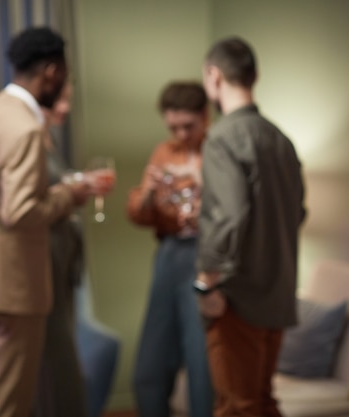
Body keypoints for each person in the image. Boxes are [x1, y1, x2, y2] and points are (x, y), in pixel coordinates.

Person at [0, 27, 98, 417]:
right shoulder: (26, 128)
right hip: (17, 288)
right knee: (8, 402)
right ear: (52, 72)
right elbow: (21, 210)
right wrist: (69, 195)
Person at [195, 37, 306, 417]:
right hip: (278, 292)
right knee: (260, 402)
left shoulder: (222, 138)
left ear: (214, 75)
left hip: (237, 295)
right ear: (254, 76)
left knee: (236, 407)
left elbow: (230, 214)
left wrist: (207, 279)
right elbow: (298, 213)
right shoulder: (282, 141)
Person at [127, 81, 214, 417]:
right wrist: (149, 192)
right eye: (173, 127)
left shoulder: (217, 150)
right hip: (169, 255)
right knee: (151, 359)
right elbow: (138, 213)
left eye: (188, 126)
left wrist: (202, 183)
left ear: (205, 117)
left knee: (200, 358)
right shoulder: (163, 152)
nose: (180, 134)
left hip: (205, 254)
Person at [32, 82, 93, 417]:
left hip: (64, 260)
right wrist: (71, 192)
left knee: (61, 352)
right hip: (45, 260)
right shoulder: (28, 136)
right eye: (63, 99)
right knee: (54, 358)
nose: (66, 108)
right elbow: (27, 205)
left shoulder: (48, 136)